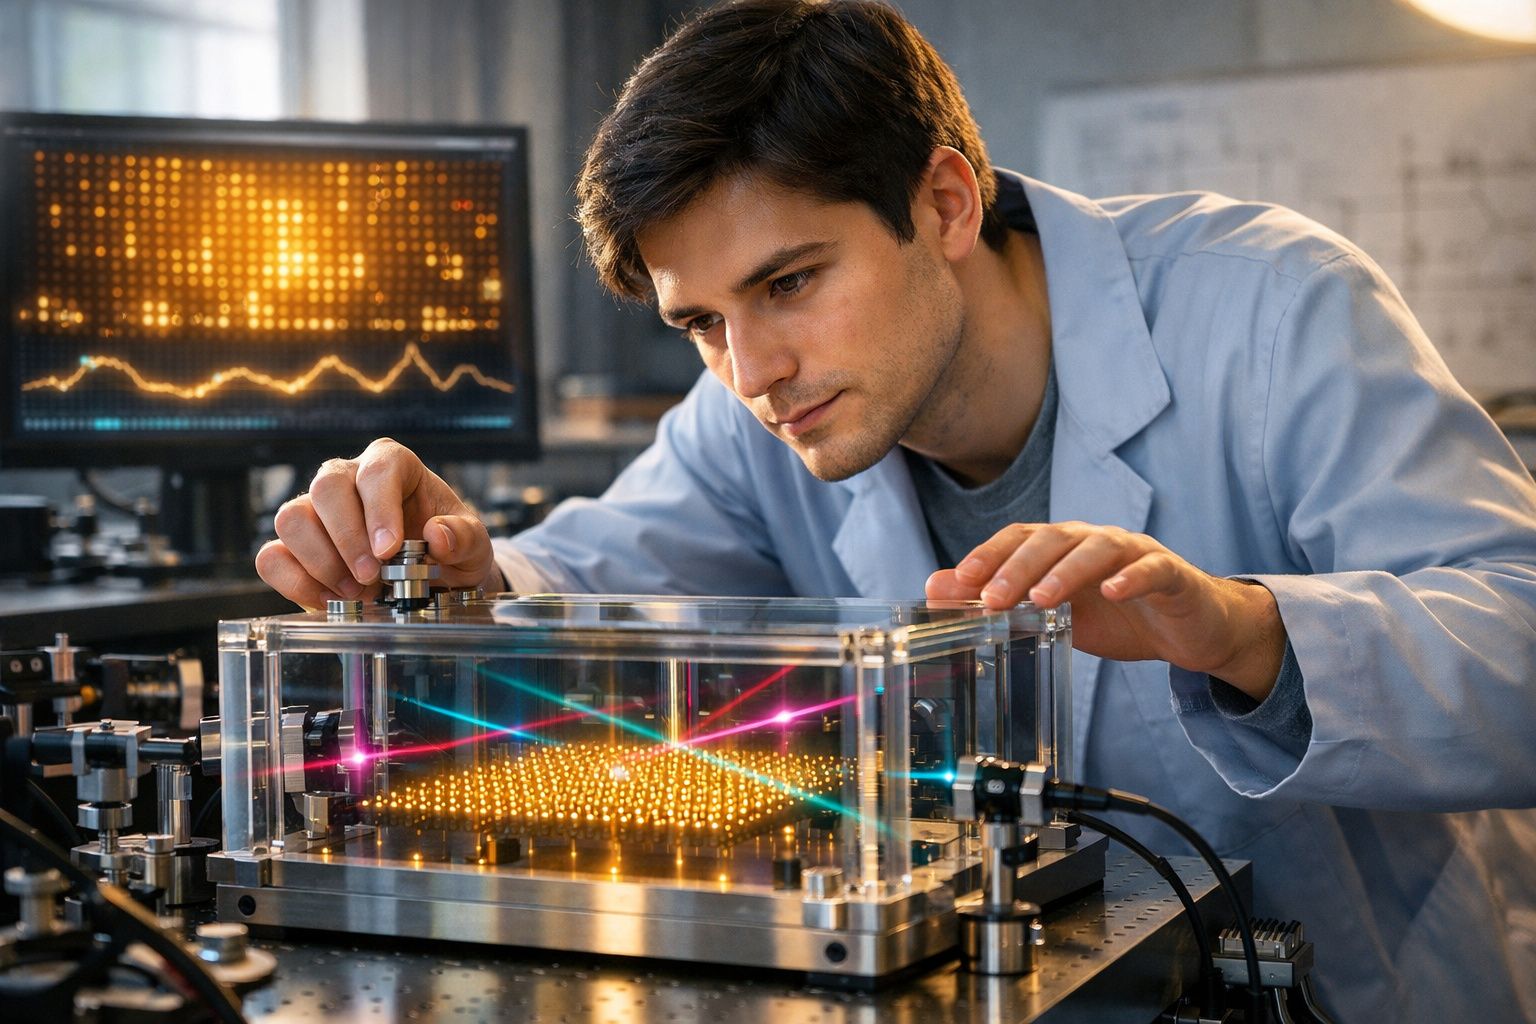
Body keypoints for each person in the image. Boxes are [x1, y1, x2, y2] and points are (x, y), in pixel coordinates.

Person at [256, 1, 1536, 1018]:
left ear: (944, 204)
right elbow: (584, 568)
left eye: (791, 282)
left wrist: (1245, 630)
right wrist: (459, 569)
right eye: (701, 322)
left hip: (1342, 994)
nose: (752, 371)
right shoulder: (759, 405)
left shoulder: (1273, 307)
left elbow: (1520, 640)